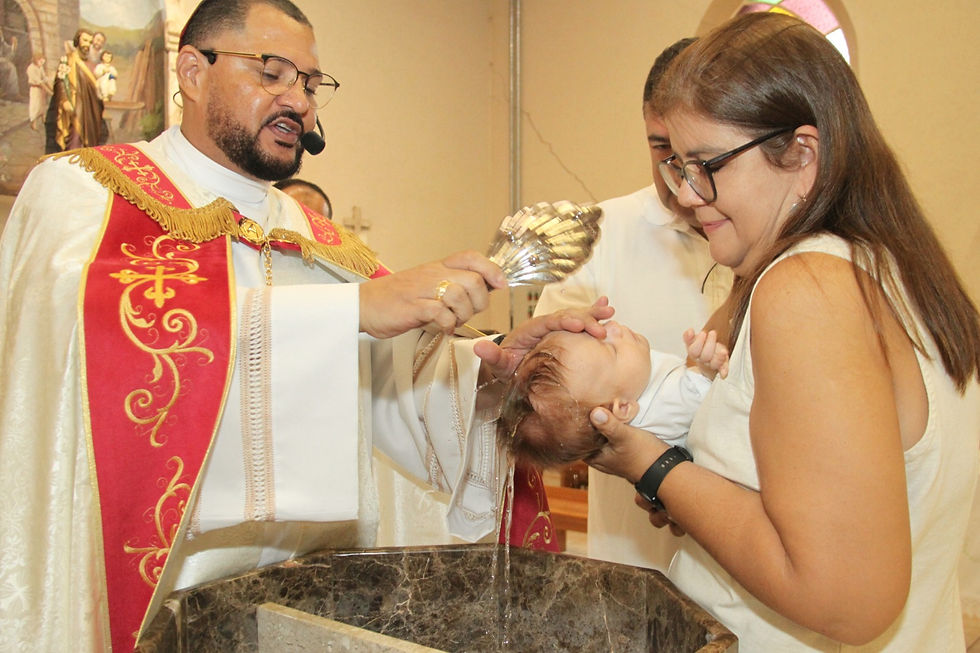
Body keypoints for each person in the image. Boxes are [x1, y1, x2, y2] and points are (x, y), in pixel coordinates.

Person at [0, 1, 612, 650]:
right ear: (191, 71)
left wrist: (493, 370)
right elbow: (88, 346)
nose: (299, 101)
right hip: (158, 613)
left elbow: (400, 398)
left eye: (311, 84)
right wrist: (350, 314)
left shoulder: (321, 245)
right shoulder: (86, 192)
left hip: (310, 613)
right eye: (272, 73)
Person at [587, 12, 980, 650]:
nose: (687, 195)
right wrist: (698, 490)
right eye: (679, 168)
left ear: (801, 153)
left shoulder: (809, 291)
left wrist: (651, 466)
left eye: (706, 165)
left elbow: (846, 599)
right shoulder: (892, 264)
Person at [531, 37, 733, 572]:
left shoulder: (769, 233)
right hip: (635, 538)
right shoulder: (599, 232)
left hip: (751, 530)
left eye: (697, 154)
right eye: (661, 147)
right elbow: (553, 394)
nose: (679, 176)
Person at [499, 323, 728, 468]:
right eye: (612, 349)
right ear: (623, 408)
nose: (613, 328)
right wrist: (708, 368)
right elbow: (715, 402)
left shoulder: (633, 390)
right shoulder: (668, 405)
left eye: (598, 333)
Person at [44, 28, 107, 152]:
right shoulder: (68, 60)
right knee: (74, 138)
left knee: (89, 140)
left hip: (88, 110)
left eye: (89, 42)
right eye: (84, 40)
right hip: (73, 106)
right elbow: (60, 82)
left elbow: (94, 87)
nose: (87, 44)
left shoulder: (90, 65)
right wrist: (64, 100)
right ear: (77, 40)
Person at [26, 53, 52, 130]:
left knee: (42, 105)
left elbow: (44, 78)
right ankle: (33, 123)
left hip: (41, 90)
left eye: (43, 62)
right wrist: (49, 92)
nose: (42, 63)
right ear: (36, 60)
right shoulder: (31, 68)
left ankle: (43, 119)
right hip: (35, 89)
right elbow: (40, 83)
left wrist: (51, 88)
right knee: (35, 106)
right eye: (41, 62)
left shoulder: (40, 67)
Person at [0, 26, 18, 99]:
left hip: (1, 63)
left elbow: (9, 53)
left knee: (11, 67)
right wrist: (4, 60)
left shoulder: (1, 43)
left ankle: (12, 93)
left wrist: (14, 46)